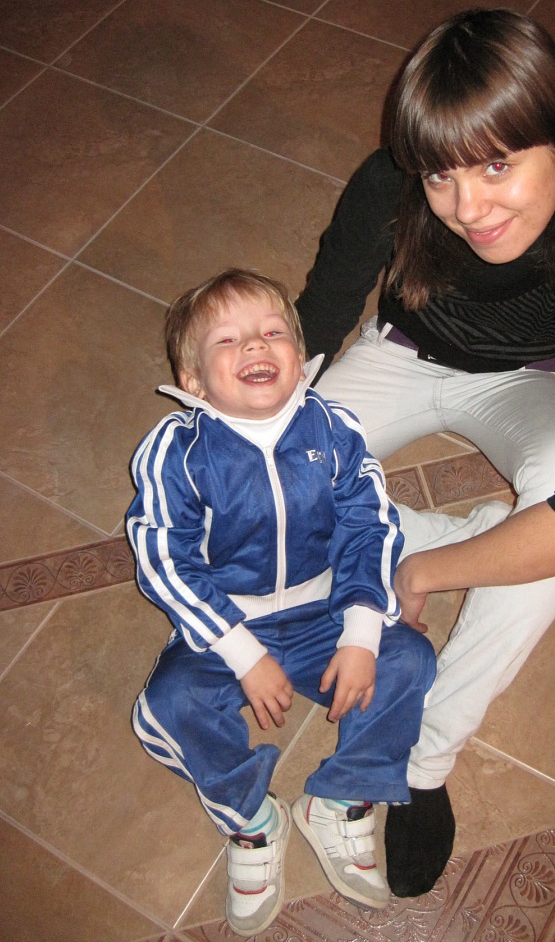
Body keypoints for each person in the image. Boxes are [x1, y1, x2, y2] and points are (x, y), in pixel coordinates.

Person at [295, 8, 555, 898]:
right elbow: (322, 313)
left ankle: (424, 759)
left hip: (527, 385)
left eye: (498, 165)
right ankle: (502, 544)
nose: (468, 209)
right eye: (442, 174)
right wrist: (254, 425)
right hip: (399, 356)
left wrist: (420, 572)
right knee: (273, 491)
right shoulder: (391, 184)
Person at [126, 269, 436, 936]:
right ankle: (251, 818)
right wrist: (242, 653)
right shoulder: (176, 454)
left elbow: (370, 525)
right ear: (193, 381)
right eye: (228, 340)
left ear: (298, 357)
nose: (254, 346)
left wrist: (360, 634)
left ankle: (342, 796)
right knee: (170, 704)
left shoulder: (333, 427)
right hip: (227, 619)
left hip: (325, 609)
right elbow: (163, 558)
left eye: (272, 332)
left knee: (409, 659)